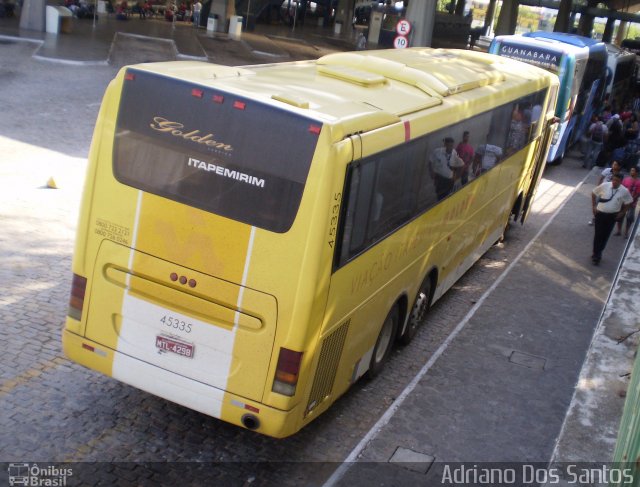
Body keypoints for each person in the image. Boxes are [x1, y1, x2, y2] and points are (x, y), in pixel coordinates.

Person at [591, 173, 632, 265]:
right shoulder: (605, 185)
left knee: (605, 235)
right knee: (598, 234)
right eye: (613, 180)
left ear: (621, 182)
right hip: (600, 214)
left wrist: (622, 213)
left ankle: (598, 253)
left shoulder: (624, 191)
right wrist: (593, 206)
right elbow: (593, 193)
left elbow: (629, 202)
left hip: (612, 216)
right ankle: (596, 254)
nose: (614, 182)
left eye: (617, 181)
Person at [429, 137, 464, 201]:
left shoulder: (454, 153)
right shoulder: (437, 152)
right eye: (449, 146)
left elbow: (461, 165)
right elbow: (430, 161)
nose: (450, 148)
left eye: (452, 146)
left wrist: (456, 177)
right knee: (439, 195)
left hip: (449, 180)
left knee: (446, 196)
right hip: (439, 178)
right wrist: (431, 171)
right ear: (445, 145)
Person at [618, 167, 640, 238]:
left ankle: (626, 232)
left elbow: (638, 193)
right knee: (620, 216)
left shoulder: (639, 182)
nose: (631, 172)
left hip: (632, 203)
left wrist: (631, 200)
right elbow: (621, 189)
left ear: (637, 172)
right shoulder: (625, 180)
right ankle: (619, 231)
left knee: (629, 218)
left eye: (633, 170)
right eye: (631, 170)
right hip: (623, 201)